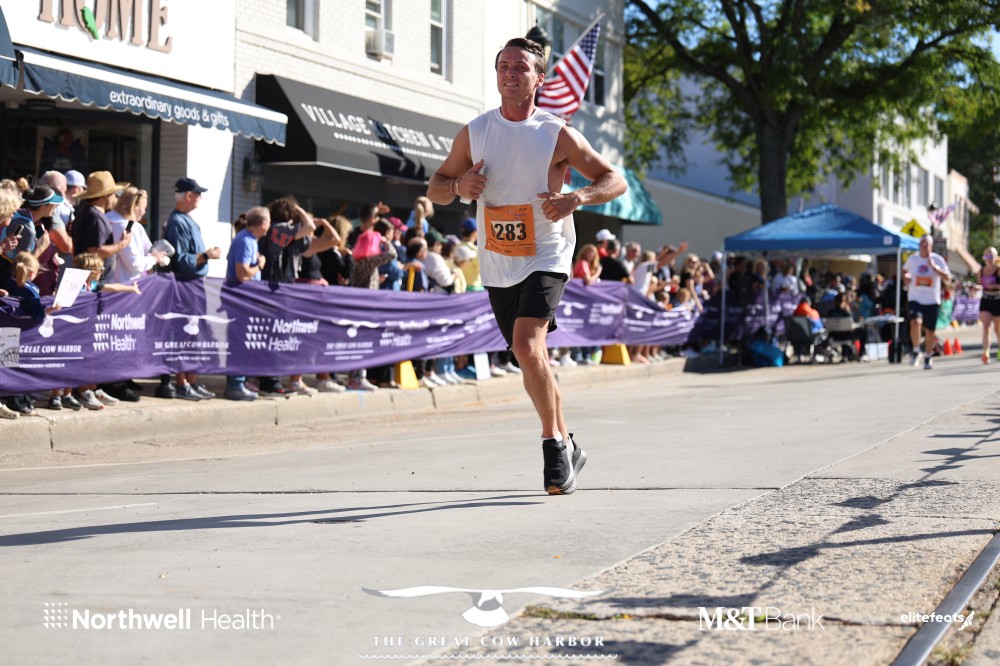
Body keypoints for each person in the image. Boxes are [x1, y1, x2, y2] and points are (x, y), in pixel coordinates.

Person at [426, 36, 627, 495]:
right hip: (498, 259)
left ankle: (553, 447)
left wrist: (577, 197)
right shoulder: (476, 131)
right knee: (530, 355)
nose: (510, 73)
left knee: (526, 343)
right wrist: (458, 186)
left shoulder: (556, 133)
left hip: (547, 252)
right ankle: (570, 443)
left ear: (540, 78)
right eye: (503, 66)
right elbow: (435, 186)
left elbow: (613, 179)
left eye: (520, 67)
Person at [160, 177, 220, 400]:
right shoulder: (178, 222)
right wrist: (207, 255)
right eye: (198, 194)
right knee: (184, 334)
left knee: (194, 335)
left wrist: (205, 256)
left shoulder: (186, 220)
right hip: (185, 286)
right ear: (188, 195)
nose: (200, 198)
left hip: (194, 285)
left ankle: (192, 380)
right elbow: (183, 261)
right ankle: (182, 382)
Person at [224, 206, 270, 400]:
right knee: (239, 342)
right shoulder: (245, 240)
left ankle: (238, 383)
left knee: (240, 342)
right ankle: (235, 385)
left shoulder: (248, 239)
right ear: (263, 224)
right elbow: (242, 274)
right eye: (269, 222)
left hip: (243, 301)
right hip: (240, 301)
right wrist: (259, 265)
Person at [71, 171, 132, 280]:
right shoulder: (95, 217)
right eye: (113, 193)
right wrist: (122, 244)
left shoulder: (87, 213)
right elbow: (95, 251)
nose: (115, 198)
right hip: (92, 281)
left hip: (88, 280)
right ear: (106, 196)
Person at [902, 234, 951, 370]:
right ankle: (916, 351)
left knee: (930, 330)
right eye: (922, 243)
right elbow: (904, 270)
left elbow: (947, 278)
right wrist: (906, 277)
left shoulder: (938, 259)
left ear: (931, 246)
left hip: (932, 299)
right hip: (915, 298)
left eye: (927, 243)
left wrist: (935, 267)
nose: (924, 245)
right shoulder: (913, 259)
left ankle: (928, 356)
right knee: (915, 322)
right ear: (919, 245)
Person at [108, 187, 164, 284]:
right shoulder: (124, 227)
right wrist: (154, 259)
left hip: (111, 284)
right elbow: (134, 264)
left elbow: (148, 249)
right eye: (143, 208)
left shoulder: (109, 220)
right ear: (134, 207)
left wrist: (155, 255)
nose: (144, 212)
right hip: (125, 286)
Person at [979, 246, 1000, 365]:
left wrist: (995, 286)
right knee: (986, 327)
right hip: (986, 300)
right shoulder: (981, 271)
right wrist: (975, 288)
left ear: (996, 257)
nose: (989, 258)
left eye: (991, 255)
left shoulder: (999, 270)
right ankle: (986, 353)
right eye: (987, 256)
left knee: (998, 330)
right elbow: (979, 284)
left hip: (997, 299)